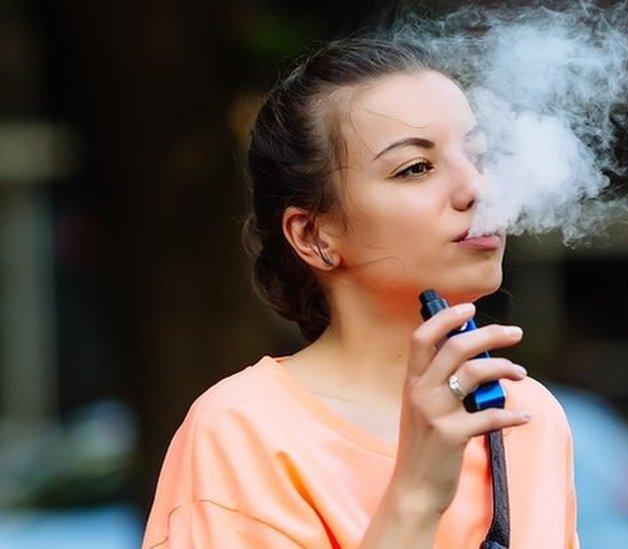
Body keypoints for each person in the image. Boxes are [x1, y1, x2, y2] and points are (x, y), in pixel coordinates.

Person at [141, 37, 580, 548]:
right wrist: (416, 495)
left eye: (477, 156)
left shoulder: (527, 417)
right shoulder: (242, 432)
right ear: (313, 236)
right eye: (415, 168)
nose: (477, 189)